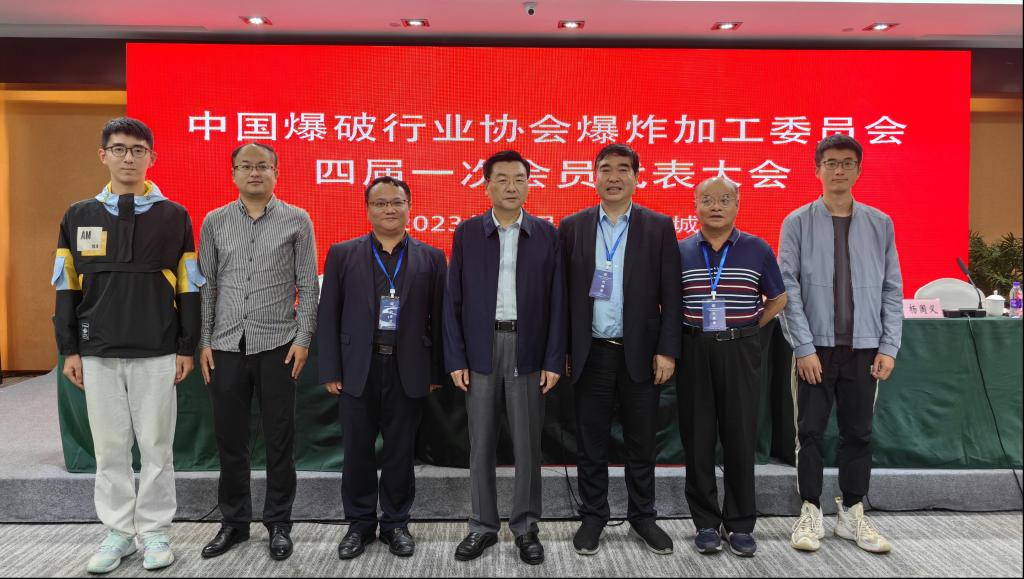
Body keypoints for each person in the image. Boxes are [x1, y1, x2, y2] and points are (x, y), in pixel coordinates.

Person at [52, 117, 200, 573]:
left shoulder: (174, 215)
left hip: (158, 350)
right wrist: (69, 349)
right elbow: (66, 287)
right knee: (110, 449)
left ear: (152, 157)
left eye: (138, 150)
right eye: (119, 149)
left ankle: (154, 532)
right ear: (103, 155)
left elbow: (189, 287)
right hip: (97, 353)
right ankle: (118, 533)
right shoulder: (78, 215)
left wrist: (187, 346)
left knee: (156, 447)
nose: (128, 158)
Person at [779, 134, 903, 554]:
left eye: (847, 163)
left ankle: (852, 513)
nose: (839, 170)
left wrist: (889, 346)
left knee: (859, 434)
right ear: (817, 169)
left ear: (859, 170)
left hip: (864, 349)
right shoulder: (797, 222)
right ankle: (810, 511)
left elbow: (891, 288)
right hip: (815, 350)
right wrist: (803, 347)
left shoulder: (880, 223)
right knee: (810, 433)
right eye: (830, 162)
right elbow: (788, 290)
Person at [197, 143, 319, 561]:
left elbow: (308, 285)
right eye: (245, 166)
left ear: (276, 172)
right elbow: (207, 287)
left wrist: (303, 339)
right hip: (226, 345)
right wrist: (204, 340)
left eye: (262, 166)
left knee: (279, 439)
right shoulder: (214, 221)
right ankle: (234, 523)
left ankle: (279, 523)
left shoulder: (297, 219)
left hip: (279, 345)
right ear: (233, 173)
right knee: (230, 440)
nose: (254, 172)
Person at [443, 150, 566, 565]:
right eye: (503, 179)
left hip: (528, 348)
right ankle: (482, 525)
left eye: (519, 179)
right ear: (487, 186)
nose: (512, 187)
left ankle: (526, 527)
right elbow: (452, 300)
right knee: (480, 443)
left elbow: (558, 302)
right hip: (480, 348)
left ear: (529, 184)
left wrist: (553, 359)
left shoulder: (546, 234)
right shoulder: (467, 233)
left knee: (528, 444)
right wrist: (455, 357)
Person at [558, 143, 681, 556]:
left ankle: (643, 516)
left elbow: (672, 295)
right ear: (593, 176)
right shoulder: (572, 226)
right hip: (590, 353)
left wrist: (667, 351)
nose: (613, 177)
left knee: (641, 442)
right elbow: (562, 297)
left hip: (641, 354)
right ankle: (593, 516)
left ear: (636, 177)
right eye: (605, 169)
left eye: (622, 169)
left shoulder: (657, 226)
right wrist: (564, 351)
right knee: (590, 442)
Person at [318, 177, 447, 560]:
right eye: (380, 203)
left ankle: (395, 524)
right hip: (357, 368)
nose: (389, 209)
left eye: (397, 202)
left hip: (409, 369)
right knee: (357, 451)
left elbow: (440, 318)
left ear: (410, 207)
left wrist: (435, 372)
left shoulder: (431, 257)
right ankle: (359, 524)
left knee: (400, 452)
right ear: (367, 209)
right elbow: (329, 315)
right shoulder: (342, 254)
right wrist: (331, 369)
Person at [677, 177, 787, 557]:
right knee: (698, 439)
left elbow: (778, 298)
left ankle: (740, 524)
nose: (716, 207)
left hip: (740, 350)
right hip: (693, 349)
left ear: (737, 205)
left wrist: (750, 328)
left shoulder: (757, 248)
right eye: (708, 200)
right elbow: (667, 302)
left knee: (740, 438)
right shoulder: (680, 250)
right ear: (695, 205)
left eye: (725, 200)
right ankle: (705, 522)